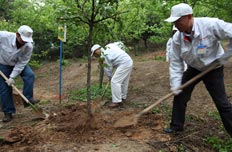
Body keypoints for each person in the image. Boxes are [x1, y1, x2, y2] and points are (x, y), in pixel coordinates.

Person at [164, 3, 232, 137]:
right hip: (194, 68)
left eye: (178, 21)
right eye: (174, 22)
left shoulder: (210, 25)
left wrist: (225, 57)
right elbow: (176, 63)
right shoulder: (177, 38)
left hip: (213, 68)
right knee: (180, 95)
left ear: (189, 16)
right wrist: (176, 85)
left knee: (222, 103)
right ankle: (176, 126)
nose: (176, 25)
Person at [0, 25, 40, 122]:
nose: (24, 43)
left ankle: (27, 99)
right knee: (5, 88)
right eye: (23, 40)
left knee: (29, 75)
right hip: (3, 64)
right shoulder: (4, 36)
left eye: (26, 40)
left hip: (17, 64)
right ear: (17, 35)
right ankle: (8, 113)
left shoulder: (29, 46)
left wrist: (12, 77)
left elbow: (22, 63)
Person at [91, 42, 133, 108]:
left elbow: (108, 69)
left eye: (94, 54)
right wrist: (123, 52)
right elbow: (120, 43)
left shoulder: (103, 56)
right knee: (124, 81)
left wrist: (110, 77)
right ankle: (122, 97)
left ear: (97, 50)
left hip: (124, 63)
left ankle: (117, 101)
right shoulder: (109, 46)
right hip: (128, 60)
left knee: (114, 81)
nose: (95, 56)